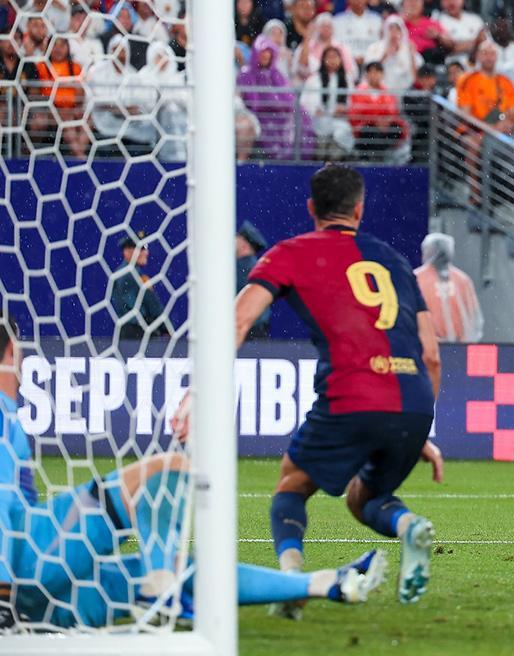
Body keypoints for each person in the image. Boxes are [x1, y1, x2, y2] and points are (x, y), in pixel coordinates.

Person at [0, 319, 387, 631]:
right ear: (10, 353)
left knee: (180, 568)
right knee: (169, 469)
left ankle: (324, 583)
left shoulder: (10, 415)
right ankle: (160, 595)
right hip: (25, 573)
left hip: (45, 600)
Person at [186, 165, 443, 618]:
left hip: (353, 393)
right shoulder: (396, 261)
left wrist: (198, 391)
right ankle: (409, 525)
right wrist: (417, 427)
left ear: (311, 208)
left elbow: (239, 319)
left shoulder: (291, 253)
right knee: (365, 498)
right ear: (360, 209)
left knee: (291, 484)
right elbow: (431, 354)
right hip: (414, 400)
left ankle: (291, 585)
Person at [413, 233, 484, 343]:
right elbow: (473, 318)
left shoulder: (417, 278)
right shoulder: (462, 279)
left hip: (427, 347)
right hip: (453, 348)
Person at [110, 233, 171, 341]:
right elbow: (151, 305)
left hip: (128, 334)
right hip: (139, 335)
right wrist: (166, 328)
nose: (146, 252)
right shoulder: (131, 276)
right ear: (127, 251)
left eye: (146, 248)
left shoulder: (119, 274)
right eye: (141, 248)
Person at [348, 61, 408, 158]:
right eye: (371, 72)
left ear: (382, 74)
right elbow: (355, 113)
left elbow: (392, 111)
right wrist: (375, 121)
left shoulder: (387, 92)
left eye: (377, 72)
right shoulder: (359, 91)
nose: (374, 75)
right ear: (366, 74)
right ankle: (373, 157)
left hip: (385, 127)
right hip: (366, 127)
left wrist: (386, 121)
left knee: (395, 130)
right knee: (372, 133)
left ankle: (382, 157)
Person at [364, 15, 423, 94]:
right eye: (391, 29)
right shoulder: (374, 48)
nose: (394, 33)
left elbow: (418, 78)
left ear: (402, 31)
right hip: (380, 93)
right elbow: (368, 73)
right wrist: (384, 56)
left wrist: (412, 56)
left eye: (397, 29)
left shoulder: (409, 49)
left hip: (405, 94)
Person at [236, 223, 271, 340]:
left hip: (245, 332)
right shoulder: (257, 266)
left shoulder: (240, 267)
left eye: (238, 238)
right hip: (256, 330)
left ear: (245, 246)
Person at [333, 0, 383, 68]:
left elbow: (380, 44)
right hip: (345, 66)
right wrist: (351, 59)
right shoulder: (338, 20)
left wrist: (368, 58)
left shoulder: (377, 20)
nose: (359, 1)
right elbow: (336, 44)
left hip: (372, 67)